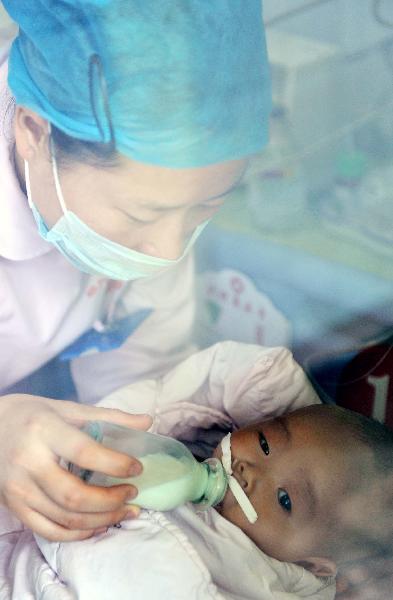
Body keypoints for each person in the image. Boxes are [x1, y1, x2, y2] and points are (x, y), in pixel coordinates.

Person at [0, 1, 271, 542]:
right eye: (138, 216)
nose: (168, 250)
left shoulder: (159, 191)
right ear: (33, 132)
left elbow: (141, 385)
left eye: (206, 207)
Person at [3, 342, 392, 599]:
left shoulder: (243, 585)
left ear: (310, 564)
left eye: (285, 499)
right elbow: (158, 406)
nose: (248, 469)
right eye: (265, 443)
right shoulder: (186, 444)